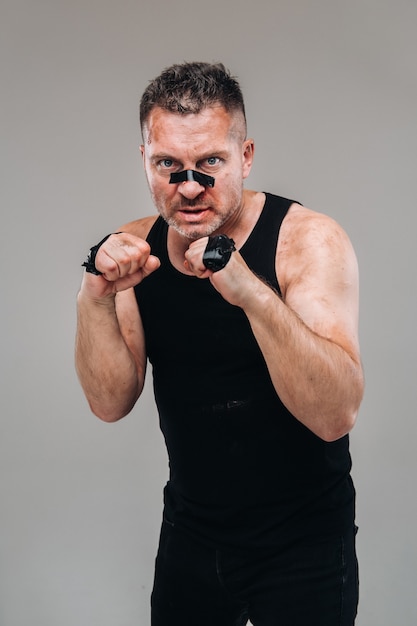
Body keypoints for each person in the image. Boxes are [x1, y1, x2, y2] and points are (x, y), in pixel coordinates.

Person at [75, 62, 364, 626]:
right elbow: (110, 404)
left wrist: (251, 295)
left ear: (245, 156)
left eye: (210, 162)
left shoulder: (306, 240)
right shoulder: (134, 249)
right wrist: (94, 297)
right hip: (192, 533)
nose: (189, 188)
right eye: (169, 166)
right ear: (144, 160)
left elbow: (336, 414)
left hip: (303, 540)